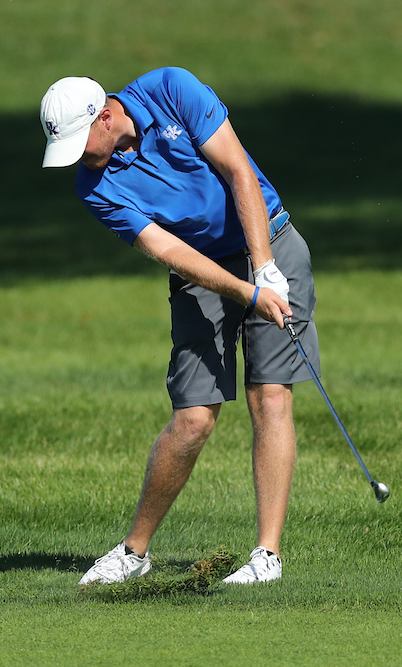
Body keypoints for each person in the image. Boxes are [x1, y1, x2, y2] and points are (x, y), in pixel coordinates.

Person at [38, 67, 320, 586]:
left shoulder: (171, 89)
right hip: (201, 271)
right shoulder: (93, 186)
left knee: (272, 396)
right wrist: (246, 293)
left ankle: (267, 556)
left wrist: (264, 269)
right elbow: (167, 249)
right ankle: (134, 551)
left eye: (81, 144)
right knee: (193, 418)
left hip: (271, 240)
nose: (80, 159)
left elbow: (238, 170)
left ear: (105, 116)